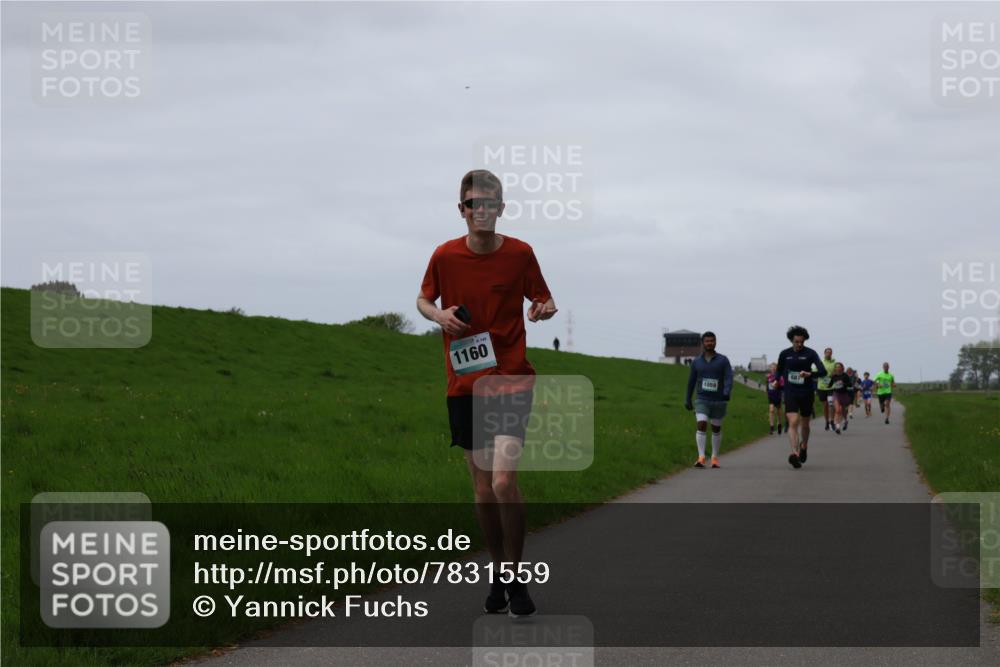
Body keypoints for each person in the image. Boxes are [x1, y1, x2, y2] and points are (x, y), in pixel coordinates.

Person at [417, 169, 557, 617]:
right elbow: (423, 300)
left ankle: (515, 577)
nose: (482, 211)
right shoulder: (444, 256)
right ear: (462, 210)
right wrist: (438, 316)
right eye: (473, 204)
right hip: (465, 385)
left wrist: (544, 308)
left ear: (501, 208)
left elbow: (545, 300)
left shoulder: (520, 254)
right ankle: (499, 570)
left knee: (503, 481)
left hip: (512, 378)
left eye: (489, 203)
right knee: (481, 488)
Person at [775, 325, 827, 468]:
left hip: (806, 392)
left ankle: (804, 446)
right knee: (793, 421)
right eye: (796, 342)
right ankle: (795, 453)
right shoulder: (784, 354)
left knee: (805, 423)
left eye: (801, 342)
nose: (799, 345)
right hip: (791, 392)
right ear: (791, 340)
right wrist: (775, 380)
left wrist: (810, 374)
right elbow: (779, 371)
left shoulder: (810, 353)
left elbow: (823, 372)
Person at [684, 331, 734, 469]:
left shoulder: (723, 360)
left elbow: (729, 378)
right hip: (702, 399)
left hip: (719, 400)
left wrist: (726, 391)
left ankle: (714, 457)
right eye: (707, 341)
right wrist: (688, 398)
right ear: (702, 343)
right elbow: (691, 381)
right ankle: (701, 457)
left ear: (715, 342)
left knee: (716, 429)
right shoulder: (696, 362)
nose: (709, 343)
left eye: (712, 341)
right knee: (702, 423)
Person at [828, 362, 855, 433]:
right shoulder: (834, 376)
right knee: (837, 410)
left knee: (844, 412)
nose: (838, 368)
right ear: (835, 368)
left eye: (839, 367)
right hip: (836, 394)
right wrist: (828, 385)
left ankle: (846, 421)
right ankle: (837, 427)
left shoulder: (845, 376)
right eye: (836, 367)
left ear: (842, 368)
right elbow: (829, 385)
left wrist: (844, 383)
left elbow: (850, 385)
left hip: (844, 395)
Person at [815, 347, 838, 431]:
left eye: (830, 352)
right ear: (824, 353)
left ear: (831, 354)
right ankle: (826, 421)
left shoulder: (834, 363)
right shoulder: (820, 363)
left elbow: (838, 371)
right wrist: (819, 374)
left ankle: (832, 421)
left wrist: (834, 374)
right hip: (821, 387)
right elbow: (815, 372)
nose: (828, 353)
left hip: (831, 386)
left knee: (831, 403)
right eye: (827, 352)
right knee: (825, 405)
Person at [765, 362, 786, 435]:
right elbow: (767, 386)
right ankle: (771, 427)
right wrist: (767, 392)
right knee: (771, 410)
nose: (773, 369)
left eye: (774, 367)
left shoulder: (780, 377)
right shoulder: (768, 377)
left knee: (778, 412)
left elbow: (783, 387)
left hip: (778, 396)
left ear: (776, 368)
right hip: (771, 396)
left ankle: (779, 424)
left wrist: (777, 386)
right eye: (771, 367)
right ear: (770, 368)